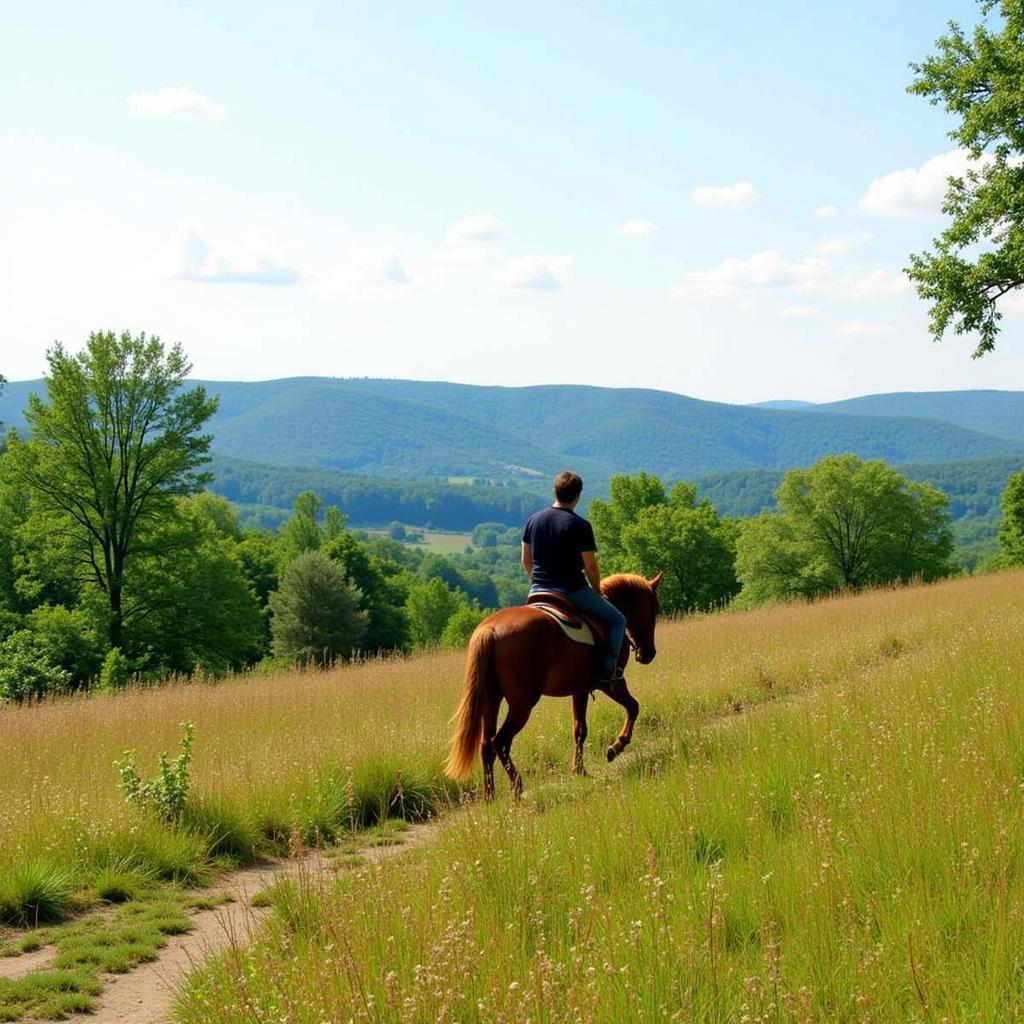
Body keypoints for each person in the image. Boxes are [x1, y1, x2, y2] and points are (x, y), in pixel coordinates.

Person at [521, 470, 626, 683]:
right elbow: (591, 568)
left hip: (537, 591)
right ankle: (608, 672)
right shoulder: (580, 525)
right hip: (572, 591)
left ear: (555, 491)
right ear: (578, 496)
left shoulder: (533, 520)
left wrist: (539, 583)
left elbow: (526, 560)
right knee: (618, 619)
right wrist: (597, 590)